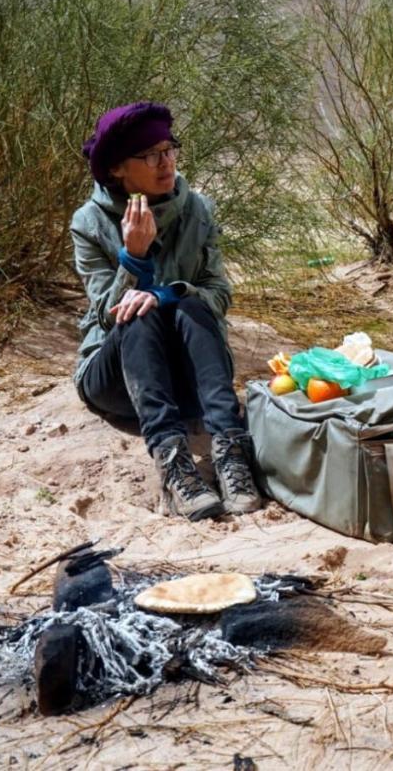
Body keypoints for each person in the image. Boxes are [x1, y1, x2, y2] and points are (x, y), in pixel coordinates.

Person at [70, 101, 262, 521]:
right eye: (151, 154)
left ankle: (230, 452)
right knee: (135, 312)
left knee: (190, 301)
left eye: (170, 149)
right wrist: (133, 258)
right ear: (118, 169)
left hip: (189, 378)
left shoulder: (198, 210)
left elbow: (219, 293)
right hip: (119, 379)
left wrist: (170, 293)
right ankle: (173, 464)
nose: (166, 162)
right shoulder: (89, 223)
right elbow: (106, 314)